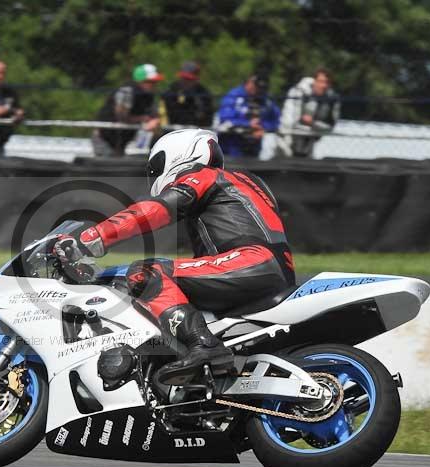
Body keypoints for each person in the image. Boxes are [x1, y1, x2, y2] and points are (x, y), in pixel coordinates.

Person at [55, 129, 295, 386]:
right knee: (171, 285)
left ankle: (203, 345)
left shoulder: (203, 176)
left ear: (180, 154)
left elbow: (156, 210)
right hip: (270, 269)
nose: (154, 173)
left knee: (146, 272)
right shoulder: (248, 181)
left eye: (156, 165)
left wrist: (93, 236)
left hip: (250, 261)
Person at [93, 64, 163, 157]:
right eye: (149, 82)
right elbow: (121, 117)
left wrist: (154, 120)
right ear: (139, 81)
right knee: (108, 163)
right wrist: (143, 119)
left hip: (123, 139)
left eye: (155, 82)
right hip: (105, 137)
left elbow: (153, 114)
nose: (153, 85)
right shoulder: (126, 91)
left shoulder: (148, 95)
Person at [279, 68, 340, 157]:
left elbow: (330, 127)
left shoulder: (332, 99)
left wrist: (312, 123)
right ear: (314, 81)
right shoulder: (298, 92)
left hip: (313, 140)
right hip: (288, 139)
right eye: (320, 81)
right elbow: (289, 122)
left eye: (327, 82)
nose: (323, 85)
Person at [217, 72, 280, 158]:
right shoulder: (234, 95)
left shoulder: (267, 100)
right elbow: (225, 119)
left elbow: (275, 121)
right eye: (256, 85)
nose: (259, 89)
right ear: (249, 82)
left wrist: (262, 127)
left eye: (262, 88)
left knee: (270, 140)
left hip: (256, 146)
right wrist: (248, 124)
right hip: (232, 144)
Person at [160, 61, 214, 128]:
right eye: (183, 78)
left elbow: (207, 119)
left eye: (189, 79)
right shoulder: (171, 91)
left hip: (197, 130)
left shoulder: (203, 94)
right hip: (172, 130)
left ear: (196, 79)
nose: (185, 82)